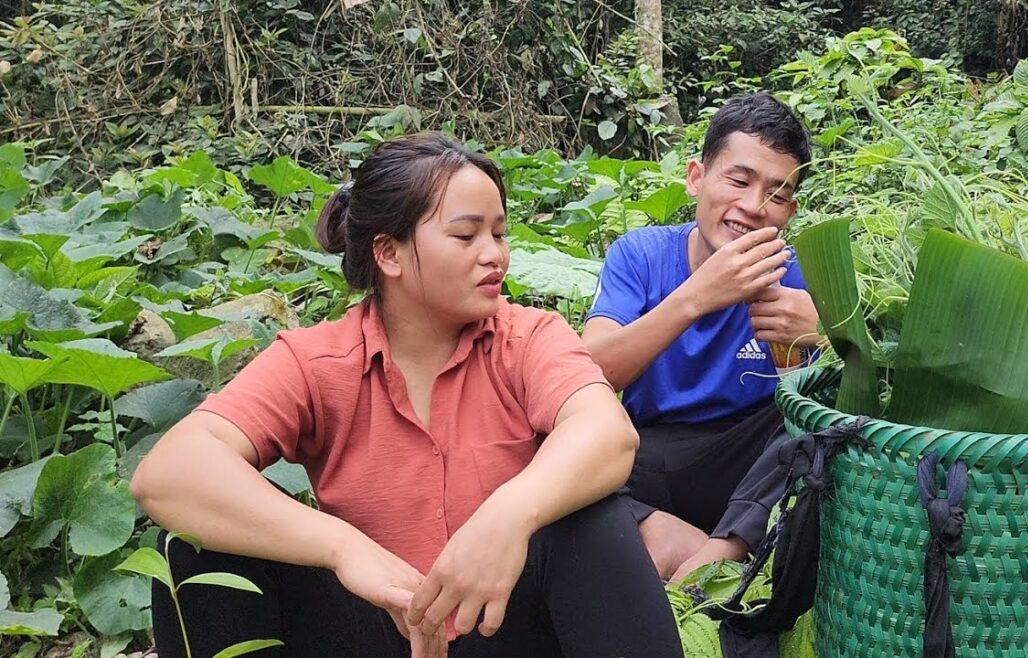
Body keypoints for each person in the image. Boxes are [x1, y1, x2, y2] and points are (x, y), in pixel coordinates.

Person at [131, 133, 684, 658]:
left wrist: (508, 518)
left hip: (504, 631)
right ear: (389, 255)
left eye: (499, 232)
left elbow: (606, 433)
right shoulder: (317, 360)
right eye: (467, 236)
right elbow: (169, 474)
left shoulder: (528, 338)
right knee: (190, 547)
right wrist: (344, 549)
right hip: (373, 630)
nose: (495, 254)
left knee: (593, 522)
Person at [581, 93, 821, 582]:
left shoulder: (794, 276)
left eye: (776, 195)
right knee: (559, 442)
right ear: (697, 177)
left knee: (806, 430)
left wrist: (822, 339)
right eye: (739, 180)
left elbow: (811, 413)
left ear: (790, 210)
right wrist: (695, 297)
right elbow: (590, 372)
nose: (753, 207)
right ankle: (685, 543)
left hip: (743, 464)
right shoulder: (641, 255)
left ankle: (720, 555)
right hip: (647, 450)